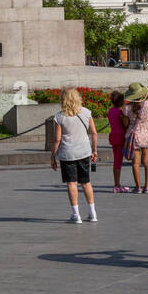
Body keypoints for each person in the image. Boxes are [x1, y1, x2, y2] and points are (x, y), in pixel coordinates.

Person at [51, 88, 99, 223]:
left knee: (71, 183)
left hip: (68, 153)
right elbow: (94, 133)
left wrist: (52, 156)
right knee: (86, 182)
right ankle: (92, 212)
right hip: (84, 151)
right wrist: (94, 150)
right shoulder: (86, 112)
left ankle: (76, 214)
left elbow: (57, 139)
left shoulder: (59, 117)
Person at [124, 83, 148, 194]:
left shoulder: (127, 108)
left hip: (134, 135)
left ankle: (138, 187)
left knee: (135, 163)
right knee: (147, 162)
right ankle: (146, 187)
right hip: (147, 134)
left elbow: (126, 123)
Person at [106, 91, 130, 193]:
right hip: (120, 137)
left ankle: (117, 183)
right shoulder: (121, 113)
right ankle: (117, 185)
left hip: (113, 136)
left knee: (116, 160)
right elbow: (126, 124)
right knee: (118, 162)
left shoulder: (110, 111)